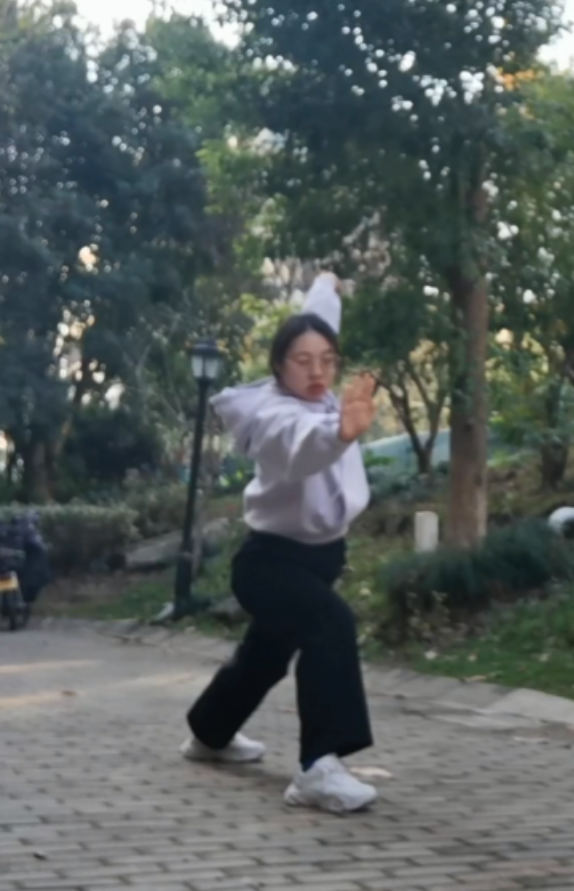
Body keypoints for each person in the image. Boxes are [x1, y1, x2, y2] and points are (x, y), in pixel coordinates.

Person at [179, 272, 381, 814]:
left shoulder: (321, 392)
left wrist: (326, 286)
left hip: (320, 559)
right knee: (330, 624)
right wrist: (340, 433)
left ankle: (210, 732)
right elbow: (301, 446)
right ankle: (318, 768)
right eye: (302, 361)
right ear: (277, 365)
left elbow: (317, 321)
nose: (317, 372)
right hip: (270, 563)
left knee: (266, 653)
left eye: (328, 361)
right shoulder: (273, 416)